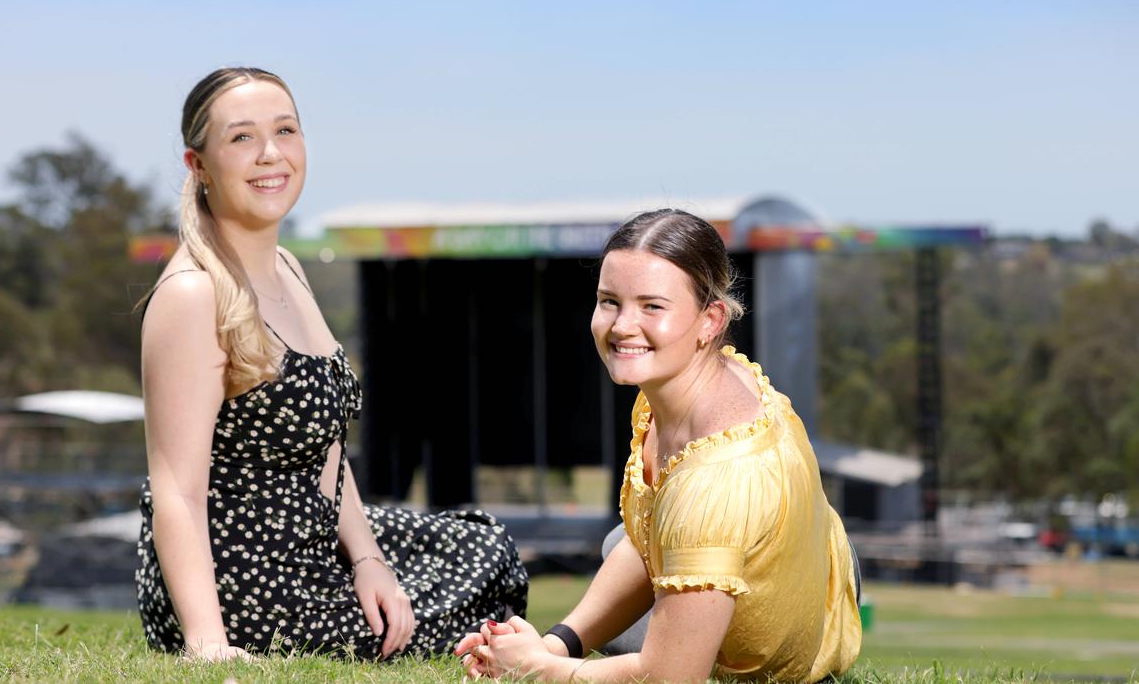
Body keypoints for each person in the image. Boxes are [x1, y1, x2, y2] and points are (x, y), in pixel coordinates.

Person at [135, 66, 528, 662]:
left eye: (286, 131)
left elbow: (327, 451)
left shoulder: (288, 267)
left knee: (484, 545)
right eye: (242, 138)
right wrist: (207, 641)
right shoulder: (193, 295)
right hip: (240, 579)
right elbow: (176, 490)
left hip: (313, 537)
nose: (272, 155)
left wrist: (368, 561)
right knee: (457, 608)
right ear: (199, 166)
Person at [455, 209, 860, 682]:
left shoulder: (715, 479)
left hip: (798, 634)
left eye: (652, 306)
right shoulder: (685, 384)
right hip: (813, 565)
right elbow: (650, 532)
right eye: (609, 301)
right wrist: (556, 642)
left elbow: (669, 678)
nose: (623, 325)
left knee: (664, 546)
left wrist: (540, 669)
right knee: (620, 540)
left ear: (710, 320)